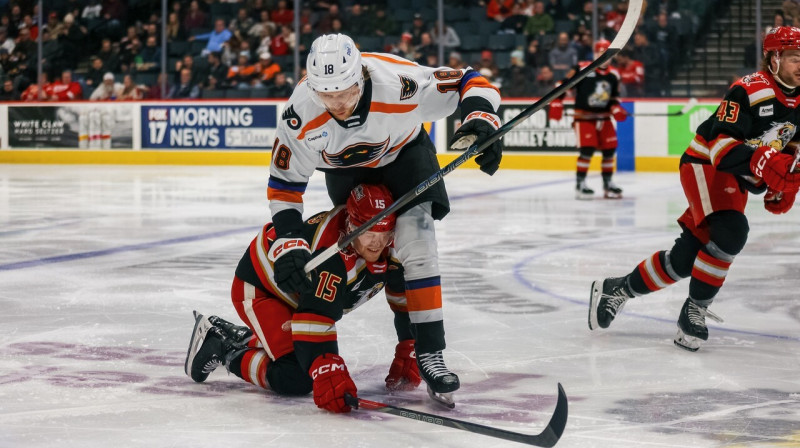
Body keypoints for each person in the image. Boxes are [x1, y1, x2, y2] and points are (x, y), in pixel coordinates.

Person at [263, 33, 503, 406]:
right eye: (327, 96)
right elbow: (283, 185)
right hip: (347, 173)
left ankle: (429, 352)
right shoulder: (300, 113)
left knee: (417, 244)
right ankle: (404, 343)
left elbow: (468, 80)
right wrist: (289, 241)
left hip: (406, 158)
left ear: (360, 77)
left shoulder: (397, 82)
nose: (337, 104)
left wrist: (481, 117)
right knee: (370, 253)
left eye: (344, 92)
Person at [587, 26, 800, 352]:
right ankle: (693, 313)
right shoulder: (749, 90)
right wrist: (763, 164)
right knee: (731, 231)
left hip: (736, 175)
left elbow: (789, 147)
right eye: (795, 57)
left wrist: (782, 185)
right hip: (706, 165)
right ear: (773, 59)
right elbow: (721, 149)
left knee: (686, 259)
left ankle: (617, 289)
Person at [186, 184, 419, 413]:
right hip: (263, 289)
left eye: (384, 233)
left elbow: (404, 299)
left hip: (300, 296)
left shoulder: (395, 245)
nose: (377, 243)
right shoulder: (331, 257)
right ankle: (221, 347)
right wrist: (328, 371)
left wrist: (410, 345)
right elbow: (314, 320)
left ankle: (241, 336)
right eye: (369, 232)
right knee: (296, 376)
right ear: (351, 226)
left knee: (301, 355)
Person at [549, 39, 627, 199]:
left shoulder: (614, 74)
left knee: (609, 150)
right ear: (595, 53)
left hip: (604, 119)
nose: (603, 56)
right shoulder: (583, 68)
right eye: (600, 52)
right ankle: (580, 184)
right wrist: (557, 100)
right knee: (587, 150)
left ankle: (607, 184)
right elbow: (563, 84)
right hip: (584, 118)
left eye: (607, 53)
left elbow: (614, 97)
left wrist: (616, 107)